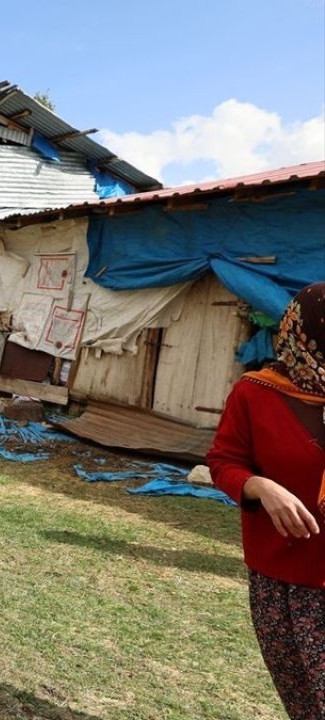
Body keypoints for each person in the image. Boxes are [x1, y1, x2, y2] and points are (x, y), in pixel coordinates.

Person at [207, 281, 325, 720]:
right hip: (281, 576)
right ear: (306, 330)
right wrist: (260, 487)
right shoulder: (256, 393)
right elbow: (224, 461)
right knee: (302, 700)